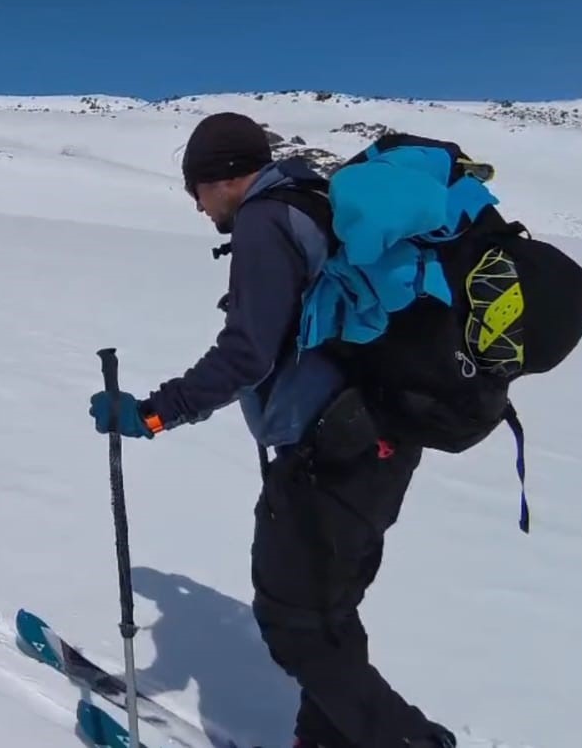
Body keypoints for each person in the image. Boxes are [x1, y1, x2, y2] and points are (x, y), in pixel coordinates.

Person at [87, 111, 458, 748]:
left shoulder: (265, 220)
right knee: (327, 617)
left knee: (298, 626)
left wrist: (150, 412)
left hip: (332, 451)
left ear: (222, 176)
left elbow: (246, 355)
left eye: (194, 189)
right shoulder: (314, 203)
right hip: (380, 440)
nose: (197, 207)